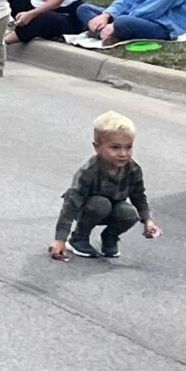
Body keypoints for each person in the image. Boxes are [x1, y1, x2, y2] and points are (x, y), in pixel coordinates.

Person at [50, 111, 159, 261]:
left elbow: (139, 196)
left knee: (129, 213)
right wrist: (60, 239)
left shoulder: (133, 170)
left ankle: (110, 237)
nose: (123, 153)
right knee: (101, 204)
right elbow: (71, 204)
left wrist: (148, 220)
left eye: (128, 147)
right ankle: (79, 238)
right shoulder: (89, 172)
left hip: (113, 209)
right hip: (86, 209)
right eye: (115, 147)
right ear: (97, 146)